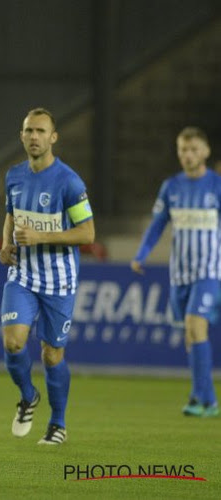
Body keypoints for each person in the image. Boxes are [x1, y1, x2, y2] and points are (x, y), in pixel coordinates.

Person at [0, 108, 95, 445]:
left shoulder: (69, 181)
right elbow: (11, 215)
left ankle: (58, 423)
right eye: (29, 131)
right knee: (12, 342)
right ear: (22, 136)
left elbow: (88, 233)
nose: (34, 137)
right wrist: (4, 244)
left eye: (41, 131)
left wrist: (41, 238)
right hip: (22, 274)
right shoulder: (13, 175)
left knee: (52, 354)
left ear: (53, 137)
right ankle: (28, 396)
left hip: (59, 281)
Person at [131, 126, 219, 418]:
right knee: (190, 336)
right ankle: (197, 397)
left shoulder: (216, 186)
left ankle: (208, 401)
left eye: (194, 149)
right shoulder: (171, 187)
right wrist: (141, 254)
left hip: (209, 272)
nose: (188, 155)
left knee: (196, 326)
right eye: (183, 149)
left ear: (205, 152)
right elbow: (158, 224)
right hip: (179, 274)